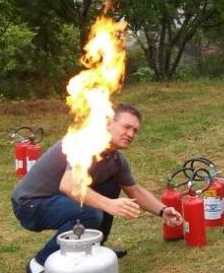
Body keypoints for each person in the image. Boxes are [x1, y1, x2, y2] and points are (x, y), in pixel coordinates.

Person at [11, 103, 184, 273]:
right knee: (90, 212)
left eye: (135, 130)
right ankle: (39, 263)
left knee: (111, 185)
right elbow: (69, 184)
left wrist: (163, 211)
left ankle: (96, 249)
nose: (130, 134)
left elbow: (134, 190)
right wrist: (109, 204)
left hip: (59, 200)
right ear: (109, 122)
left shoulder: (115, 159)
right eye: (126, 127)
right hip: (30, 204)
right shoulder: (83, 142)